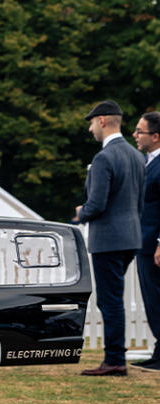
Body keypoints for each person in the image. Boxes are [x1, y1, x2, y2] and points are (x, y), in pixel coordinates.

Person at [75, 100, 145, 376]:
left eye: (92, 123)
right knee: (115, 298)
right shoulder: (136, 155)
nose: (91, 129)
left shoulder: (104, 158)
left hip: (108, 239)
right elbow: (138, 202)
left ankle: (115, 360)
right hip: (131, 237)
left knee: (110, 301)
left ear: (102, 121)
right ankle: (116, 356)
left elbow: (97, 204)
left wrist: (81, 213)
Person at [131, 111, 160, 371]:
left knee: (157, 298)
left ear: (156, 136)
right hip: (144, 241)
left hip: (155, 243)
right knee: (152, 300)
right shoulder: (146, 161)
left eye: (140, 131)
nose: (135, 135)